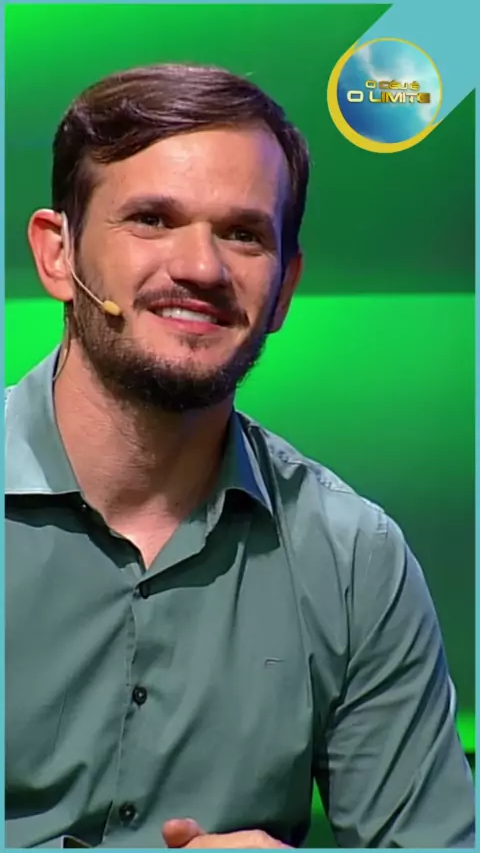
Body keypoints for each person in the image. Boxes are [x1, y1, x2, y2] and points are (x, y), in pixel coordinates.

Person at [5, 62, 475, 850]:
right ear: (59, 254)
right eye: (152, 219)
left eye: (243, 234)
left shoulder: (354, 561)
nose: (201, 268)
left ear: (284, 289)